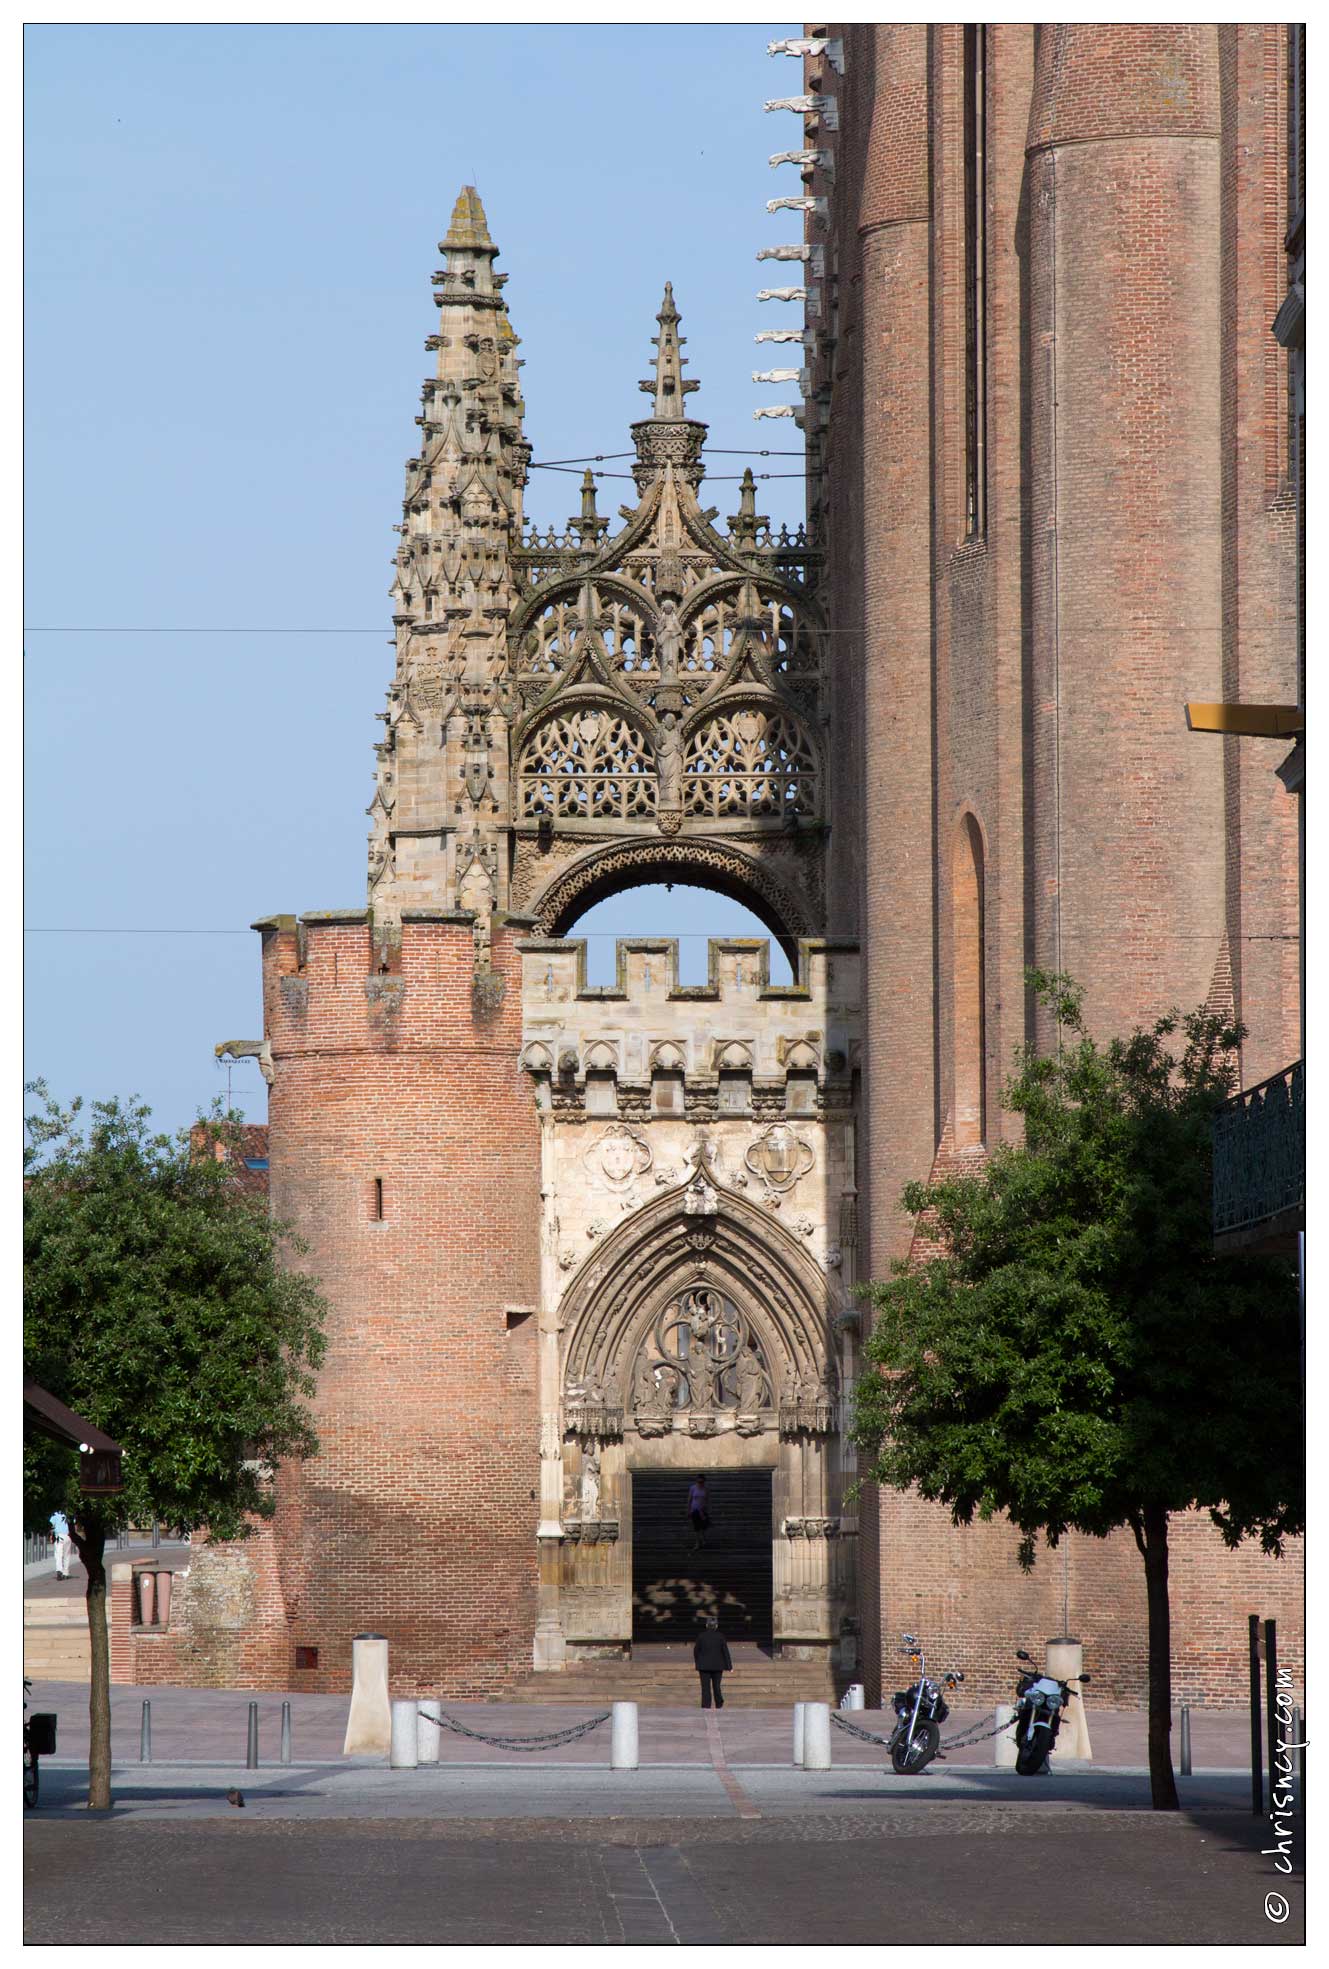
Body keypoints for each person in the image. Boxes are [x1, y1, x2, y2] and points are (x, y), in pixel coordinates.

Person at [694, 1617, 732, 1709]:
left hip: (703, 1666)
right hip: (718, 1666)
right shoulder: (720, 1636)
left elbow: (696, 1651)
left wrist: (698, 1661)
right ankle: (719, 1703)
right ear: (716, 1626)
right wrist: (729, 1666)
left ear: (706, 1625)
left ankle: (706, 1705)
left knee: (705, 1688)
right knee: (717, 1686)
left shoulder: (701, 1636)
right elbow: (725, 1652)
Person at [688, 1474, 710, 1551]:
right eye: (699, 1481)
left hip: (703, 1510)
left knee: (703, 1527)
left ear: (704, 1481)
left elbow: (707, 1500)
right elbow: (690, 1499)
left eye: (702, 1482)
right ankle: (697, 1543)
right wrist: (688, 1510)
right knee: (696, 1527)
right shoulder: (692, 1488)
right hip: (694, 1510)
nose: (700, 1483)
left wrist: (706, 1510)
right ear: (696, 1481)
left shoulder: (706, 1489)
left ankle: (703, 1540)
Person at [50, 1511, 73, 1580]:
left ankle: (59, 1570)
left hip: (58, 1536)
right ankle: (66, 1573)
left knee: (58, 1555)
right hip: (68, 1536)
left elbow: (52, 1526)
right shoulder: (69, 1514)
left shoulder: (55, 1514)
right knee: (67, 1555)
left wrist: (51, 1536)